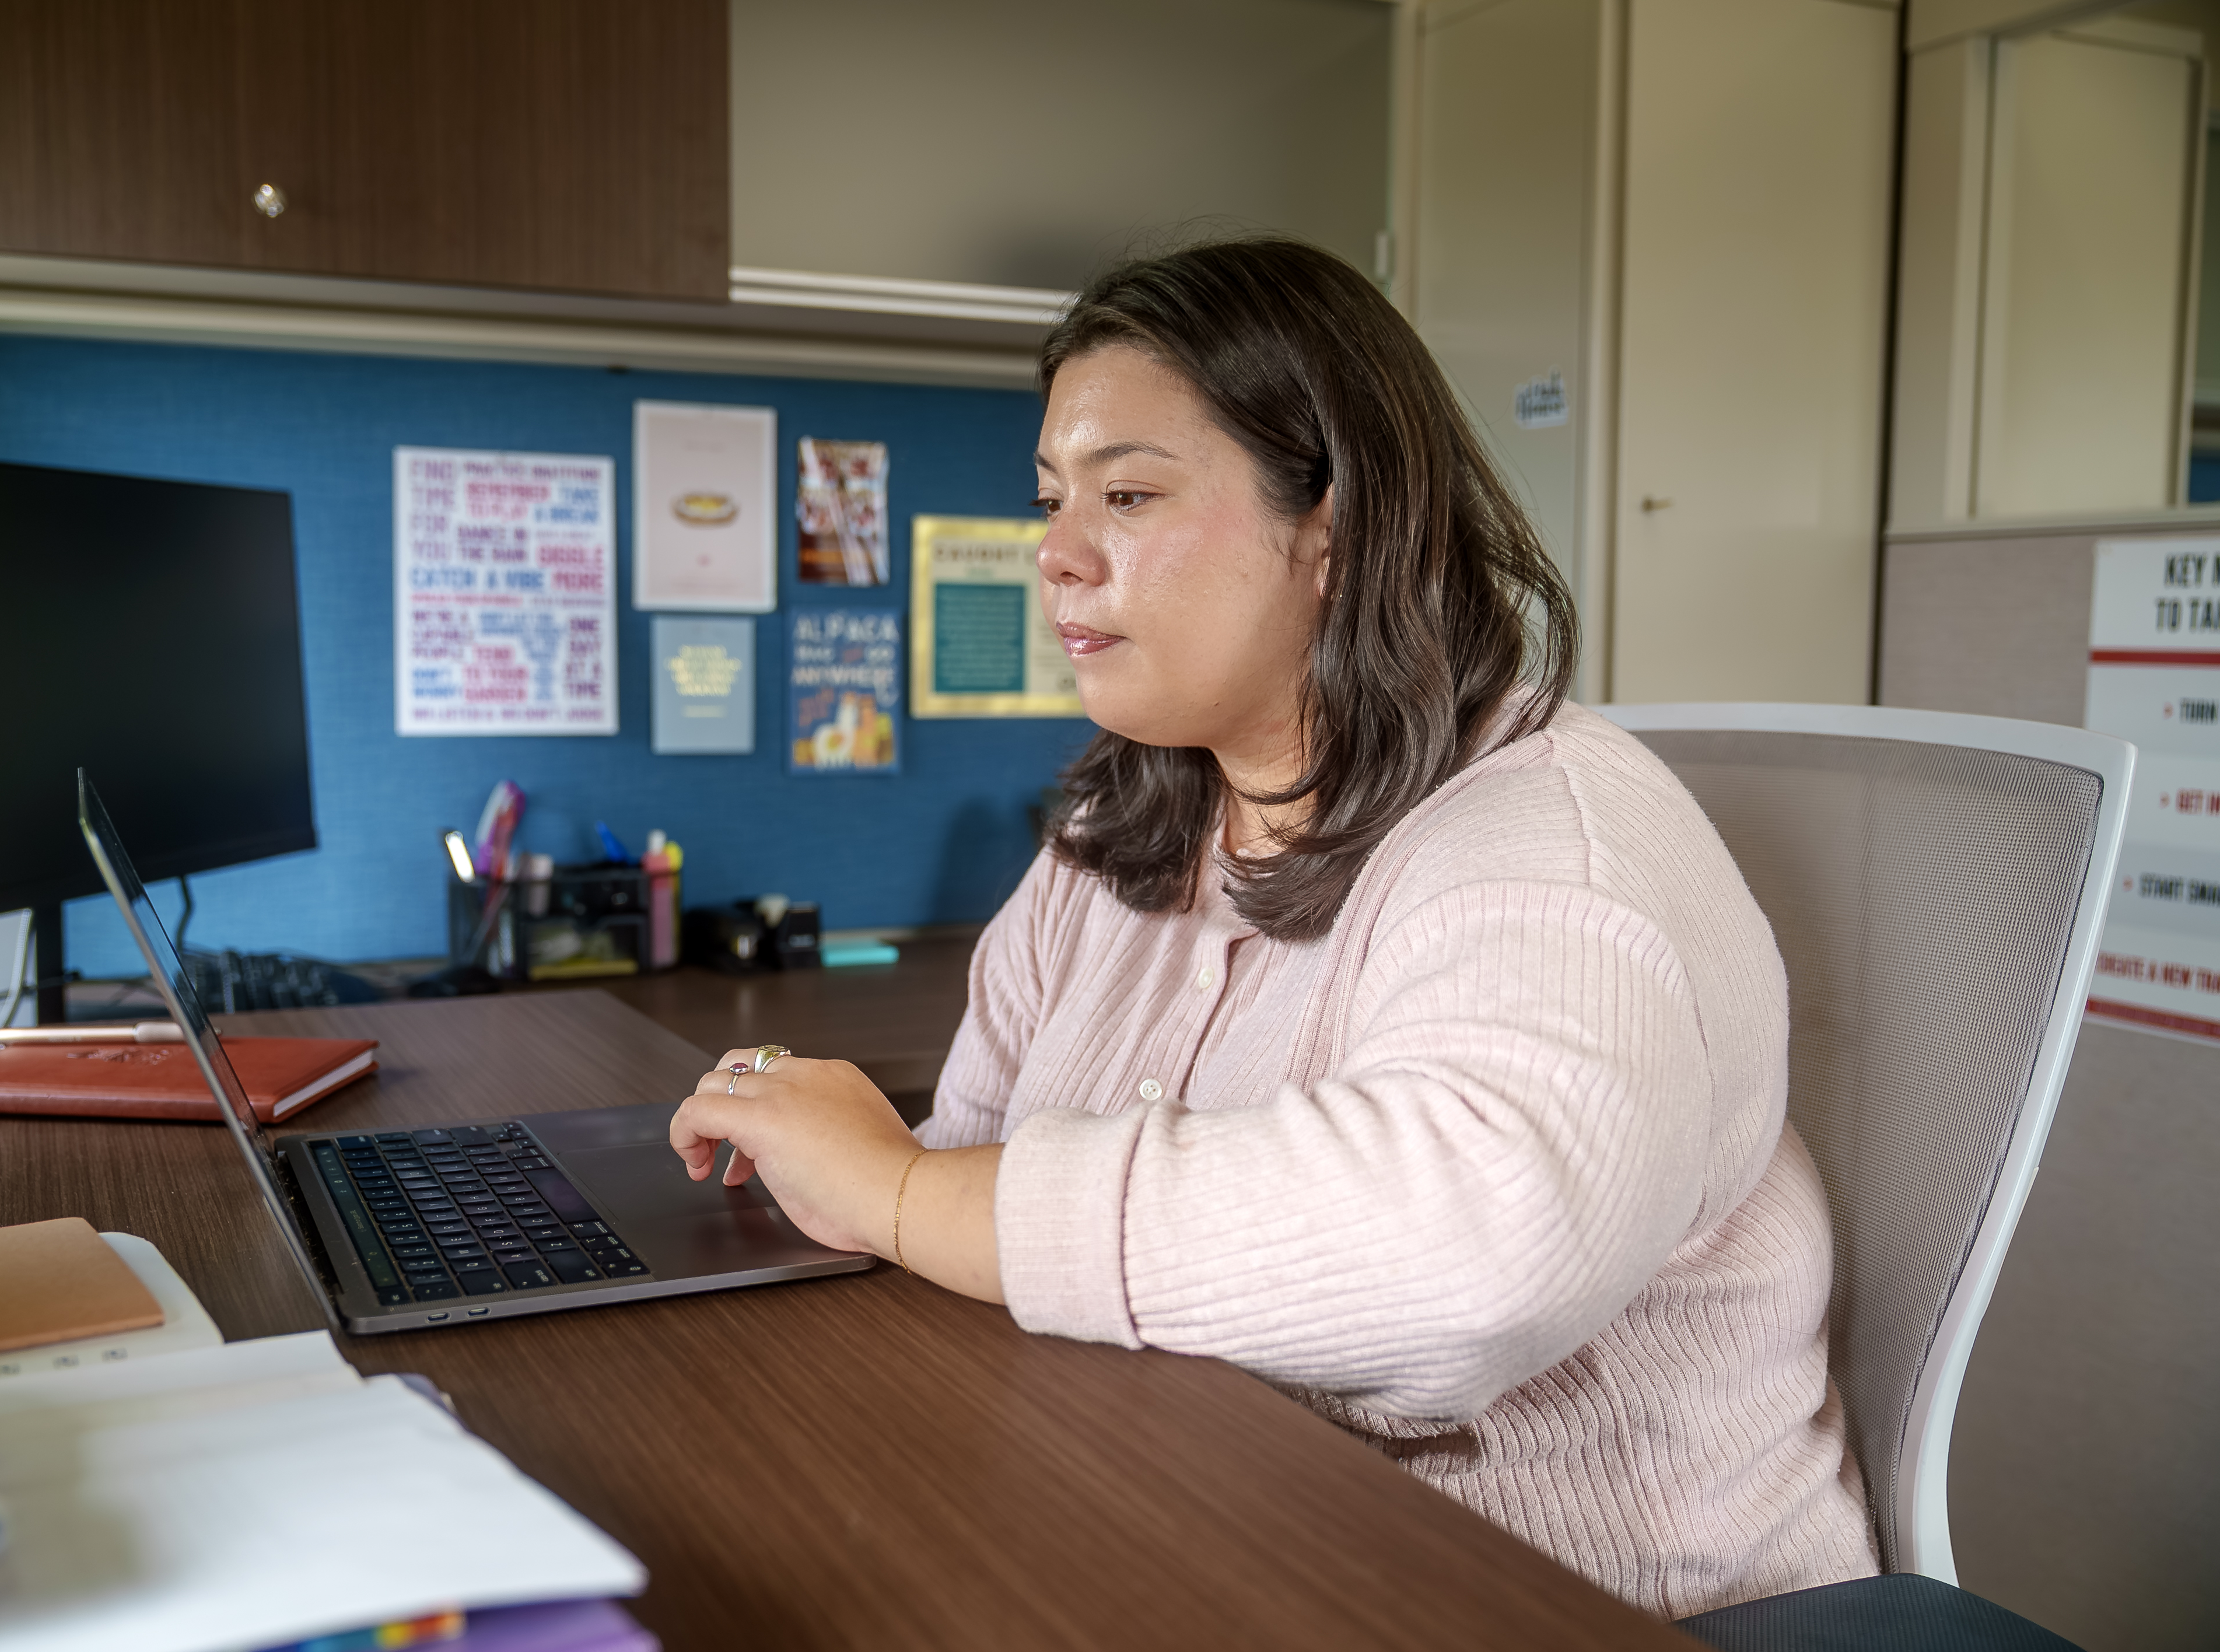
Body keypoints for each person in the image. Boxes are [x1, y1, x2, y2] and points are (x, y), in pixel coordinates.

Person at [670, 237, 1878, 1618]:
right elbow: (970, 1175)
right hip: (1200, 1529)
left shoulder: (1551, 845)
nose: (1056, 555)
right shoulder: (1113, 838)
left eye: (1126, 495)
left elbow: (1470, 1257)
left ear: (1333, 531)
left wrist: (896, 1194)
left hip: (1579, 1601)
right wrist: (881, 1189)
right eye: (1051, 498)